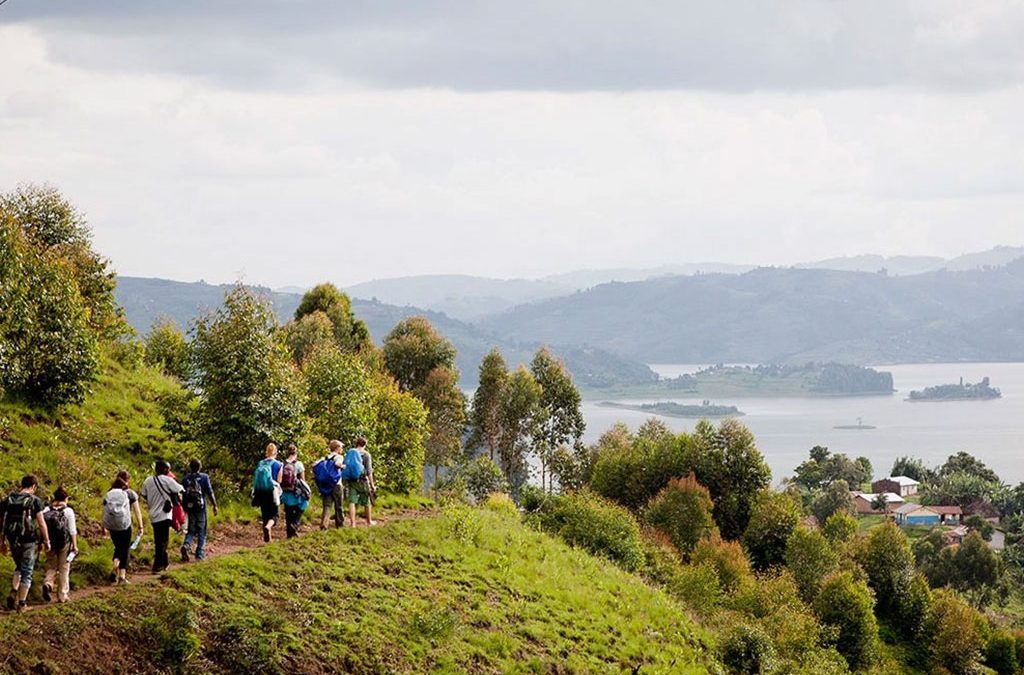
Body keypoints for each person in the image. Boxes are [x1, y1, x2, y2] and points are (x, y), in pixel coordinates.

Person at [0, 475, 50, 612]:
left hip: (12, 538)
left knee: (18, 566)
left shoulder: (9, 500)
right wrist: (46, 541)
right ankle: (22, 604)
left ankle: (13, 590)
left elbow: (2, 522)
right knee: (27, 570)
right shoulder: (35, 501)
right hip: (28, 539)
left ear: (22, 485)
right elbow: (41, 523)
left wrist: (2, 542)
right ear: (34, 486)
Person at [140, 460, 183, 573]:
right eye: (168, 469)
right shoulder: (168, 480)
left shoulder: (148, 480)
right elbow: (180, 489)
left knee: (158, 540)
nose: (169, 471)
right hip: (164, 514)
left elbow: (144, 494)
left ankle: (165, 562)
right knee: (163, 541)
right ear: (164, 469)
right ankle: (157, 566)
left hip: (153, 514)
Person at [103, 471, 144, 584]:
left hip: (112, 526)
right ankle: (122, 576)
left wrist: (104, 527)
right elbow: (137, 512)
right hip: (125, 525)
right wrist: (141, 526)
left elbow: (105, 511)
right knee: (125, 549)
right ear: (127, 480)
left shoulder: (109, 493)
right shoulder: (130, 493)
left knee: (118, 547)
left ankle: (115, 565)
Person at [42, 486, 78, 603]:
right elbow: (72, 530)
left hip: (50, 542)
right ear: (66, 498)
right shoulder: (68, 511)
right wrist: (75, 545)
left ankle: (48, 583)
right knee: (64, 568)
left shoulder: (46, 510)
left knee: (51, 565)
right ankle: (62, 595)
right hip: (64, 543)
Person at [180, 459, 218, 562]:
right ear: (199, 467)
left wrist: (184, 508)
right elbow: (210, 492)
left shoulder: (185, 479)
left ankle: (186, 545)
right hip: (201, 508)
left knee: (191, 530)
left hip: (190, 508)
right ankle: (200, 554)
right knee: (202, 531)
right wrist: (215, 505)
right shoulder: (204, 477)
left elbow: (182, 494)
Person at [344, 437, 377, 528]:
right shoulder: (366, 455)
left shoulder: (350, 453)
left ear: (356, 444)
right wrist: (372, 485)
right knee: (367, 501)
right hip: (363, 481)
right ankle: (369, 521)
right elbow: (369, 471)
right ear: (365, 444)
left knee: (352, 502)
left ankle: (352, 523)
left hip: (351, 480)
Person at [253, 443, 282, 543]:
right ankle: (268, 526)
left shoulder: (260, 463)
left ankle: (268, 538)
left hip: (260, 491)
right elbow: (279, 480)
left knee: (265, 514)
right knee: (275, 515)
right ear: (275, 452)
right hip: (272, 491)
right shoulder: (279, 464)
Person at [313, 440, 345, 529]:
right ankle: (340, 524)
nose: (342, 449)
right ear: (337, 448)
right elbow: (338, 464)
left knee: (327, 505)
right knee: (339, 505)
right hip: (336, 484)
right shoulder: (339, 457)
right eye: (341, 447)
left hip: (326, 485)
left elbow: (314, 464)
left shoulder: (325, 458)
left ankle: (324, 524)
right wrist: (343, 466)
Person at [279, 443, 309, 538]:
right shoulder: (299, 464)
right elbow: (303, 480)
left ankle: (289, 534)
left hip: (285, 491)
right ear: (296, 453)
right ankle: (295, 525)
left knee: (288, 512)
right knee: (302, 506)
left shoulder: (282, 464)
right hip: (295, 491)